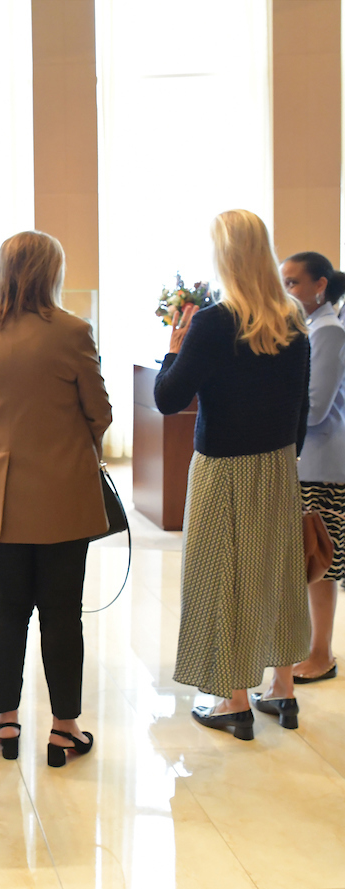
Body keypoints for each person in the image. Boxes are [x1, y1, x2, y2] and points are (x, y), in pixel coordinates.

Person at [155, 209, 310, 740]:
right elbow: (300, 404)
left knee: (220, 573)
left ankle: (233, 699)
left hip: (223, 465)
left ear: (224, 256)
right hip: (279, 462)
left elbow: (169, 399)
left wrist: (172, 349)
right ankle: (283, 688)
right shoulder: (292, 318)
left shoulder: (215, 322)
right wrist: (286, 459)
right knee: (278, 571)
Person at [0, 231, 112, 766]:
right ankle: (64, 729)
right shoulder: (72, 331)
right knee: (62, 612)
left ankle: (6, 720)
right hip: (63, 493)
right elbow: (99, 412)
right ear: (52, 273)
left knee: (4, 605)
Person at [281, 251, 345, 688]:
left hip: (321, 462)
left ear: (320, 286)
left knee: (321, 560)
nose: (286, 291)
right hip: (307, 460)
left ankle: (321, 653)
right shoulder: (311, 326)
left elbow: (316, 407)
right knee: (307, 558)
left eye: (293, 283)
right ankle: (310, 647)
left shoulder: (328, 330)